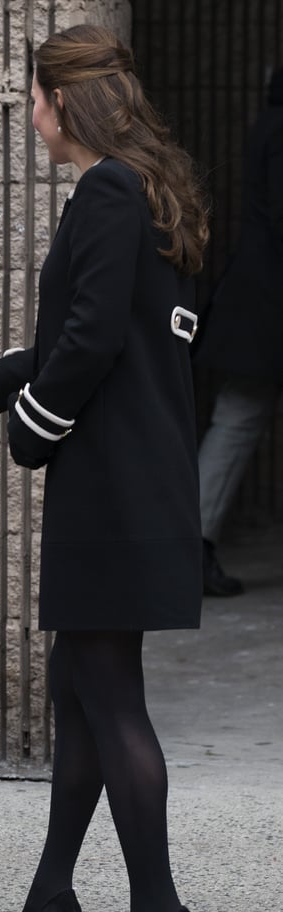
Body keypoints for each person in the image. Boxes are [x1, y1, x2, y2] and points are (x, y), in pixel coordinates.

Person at [0, 24, 209, 912]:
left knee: (109, 697)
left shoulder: (108, 190)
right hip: (133, 482)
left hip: (111, 487)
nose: (28, 115)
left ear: (62, 101)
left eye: (33, 98)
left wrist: (27, 428)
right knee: (77, 689)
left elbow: (81, 345)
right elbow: (84, 332)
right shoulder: (141, 189)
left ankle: (157, 910)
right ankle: (49, 903)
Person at [194, 66, 283, 596]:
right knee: (239, 416)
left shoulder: (270, 122)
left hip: (261, 304)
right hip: (270, 303)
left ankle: (189, 547)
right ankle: (191, 548)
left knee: (238, 416)